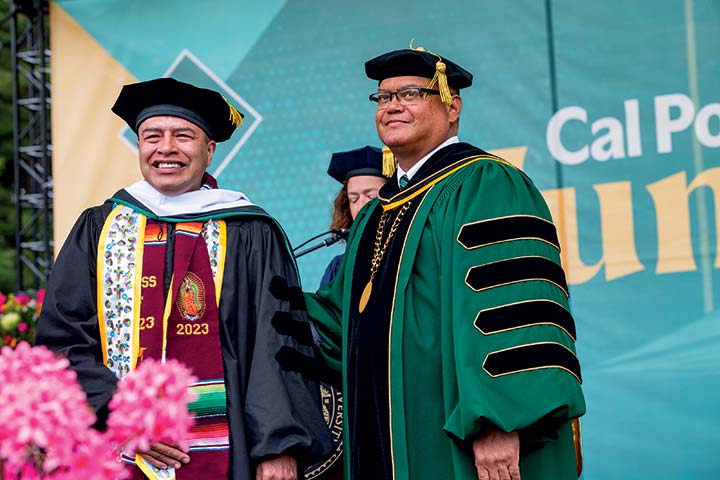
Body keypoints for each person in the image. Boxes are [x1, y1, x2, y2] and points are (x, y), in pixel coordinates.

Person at [303, 46, 586, 480]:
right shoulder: (376, 214)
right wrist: (264, 294)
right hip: (383, 437)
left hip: (462, 438)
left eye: (412, 93)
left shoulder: (485, 184)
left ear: (452, 107)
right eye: (383, 97)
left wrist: (497, 421)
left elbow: (512, 316)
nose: (393, 105)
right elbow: (343, 323)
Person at [35, 78, 332, 480]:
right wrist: (122, 411)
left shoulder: (249, 232)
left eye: (184, 136)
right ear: (139, 146)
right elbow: (63, 338)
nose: (166, 149)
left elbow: (275, 343)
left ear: (210, 150)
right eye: (151, 136)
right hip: (115, 444)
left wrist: (278, 447)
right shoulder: (99, 228)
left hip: (233, 448)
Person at [319, 146, 388, 287]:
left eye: (371, 196)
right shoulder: (339, 268)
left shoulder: (406, 256)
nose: (362, 206)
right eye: (354, 199)